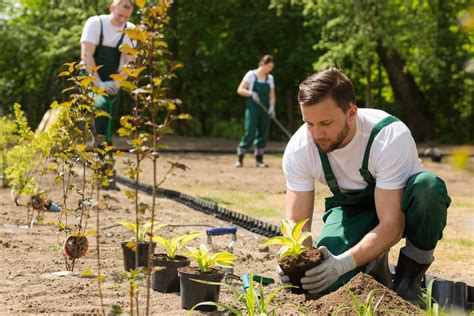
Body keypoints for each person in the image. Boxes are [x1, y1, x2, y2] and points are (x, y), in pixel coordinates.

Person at [279, 68, 450, 305]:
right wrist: (295, 262)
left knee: (428, 189)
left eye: (325, 123)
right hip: (352, 211)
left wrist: (344, 263)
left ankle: (408, 282)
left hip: (401, 204)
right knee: (326, 283)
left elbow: (392, 224)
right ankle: (374, 266)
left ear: (351, 113)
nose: (316, 134)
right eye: (309, 123)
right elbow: (297, 223)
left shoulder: (388, 136)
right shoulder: (300, 148)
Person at [80, 0, 135, 189]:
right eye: (119, 15)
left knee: (109, 122)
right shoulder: (95, 23)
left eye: (126, 17)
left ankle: (106, 173)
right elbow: (87, 55)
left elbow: (130, 62)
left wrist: (117, 82)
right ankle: (104, 167)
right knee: (100, 108)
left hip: (112, 82)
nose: (122, 20)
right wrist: (99, 84)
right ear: (112, 8)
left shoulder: (130, 29)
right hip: (90, 77)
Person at [235, 55, 276, 168]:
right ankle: (240, 158)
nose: (270, 69)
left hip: (265, 109)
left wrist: (272, 107)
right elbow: (240, 90)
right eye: (268, 67)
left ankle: (259, 160)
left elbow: (272, 95)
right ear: (262, 64)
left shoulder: (270, 78)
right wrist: (251, 93)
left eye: (271, 67)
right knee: (250, 132)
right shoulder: (251, 75)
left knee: (263, 133)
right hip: (253, 108)